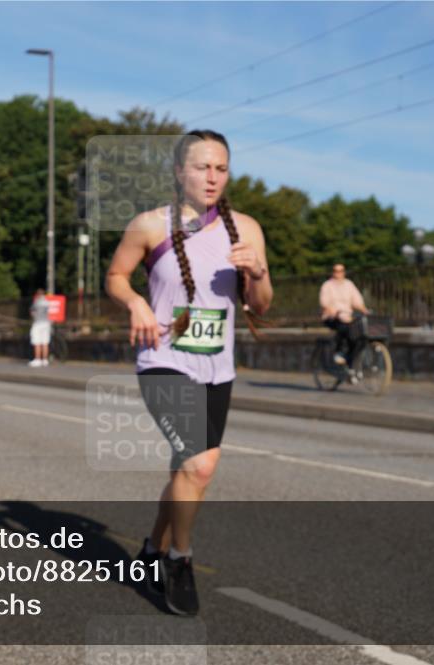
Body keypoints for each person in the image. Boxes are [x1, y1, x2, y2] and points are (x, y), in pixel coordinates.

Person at [106, 130, 273, 616]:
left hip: (217, 367)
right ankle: (179, 559)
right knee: (200, 465)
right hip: (163, 360)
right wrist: (135, 303)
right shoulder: (149, 225)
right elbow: (115, 276)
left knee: (188, 469)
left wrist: (258, 273)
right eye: (202, 167)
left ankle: (151, 550)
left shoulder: (247, 229)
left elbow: (261, 306)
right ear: (180, 172)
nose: (212, 177)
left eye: (221, 168)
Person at [319, 263, 369, 369]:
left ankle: (350, 360)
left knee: (357, 334)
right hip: (332, 317)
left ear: (344, 272)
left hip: (348, 316)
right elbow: (324, 302)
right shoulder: (327, 285)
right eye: (336, 271)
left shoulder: (349, 284)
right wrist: (331, 311)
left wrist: (364, 310)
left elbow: (357, 300)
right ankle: (339, 351)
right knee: (343, 327)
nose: (338, 273)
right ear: (333, 272)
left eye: (341, 271)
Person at [28, 289, 52, 367]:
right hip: (46, 323)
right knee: (45, 343)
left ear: (38, 294)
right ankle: (45, 360)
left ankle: (37, 359)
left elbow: (32, 312)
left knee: (37, 342)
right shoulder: (47, 302)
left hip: (38, 323)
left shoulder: (37, 302)